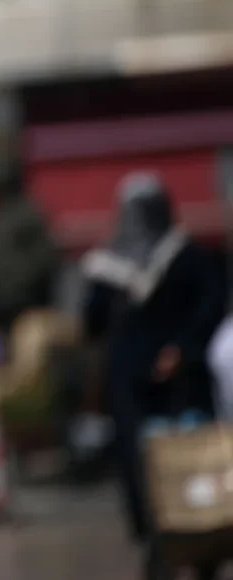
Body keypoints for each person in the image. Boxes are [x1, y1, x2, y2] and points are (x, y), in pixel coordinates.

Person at [82, 173, 225, 562]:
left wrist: (182, 348)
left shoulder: (185, 256)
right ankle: (153, 533)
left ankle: (202, 531)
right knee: (137, 461)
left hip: (180, 378)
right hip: (129, 380)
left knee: (191, 453)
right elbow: (91, 323)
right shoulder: (109, 265)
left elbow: (211, 304)